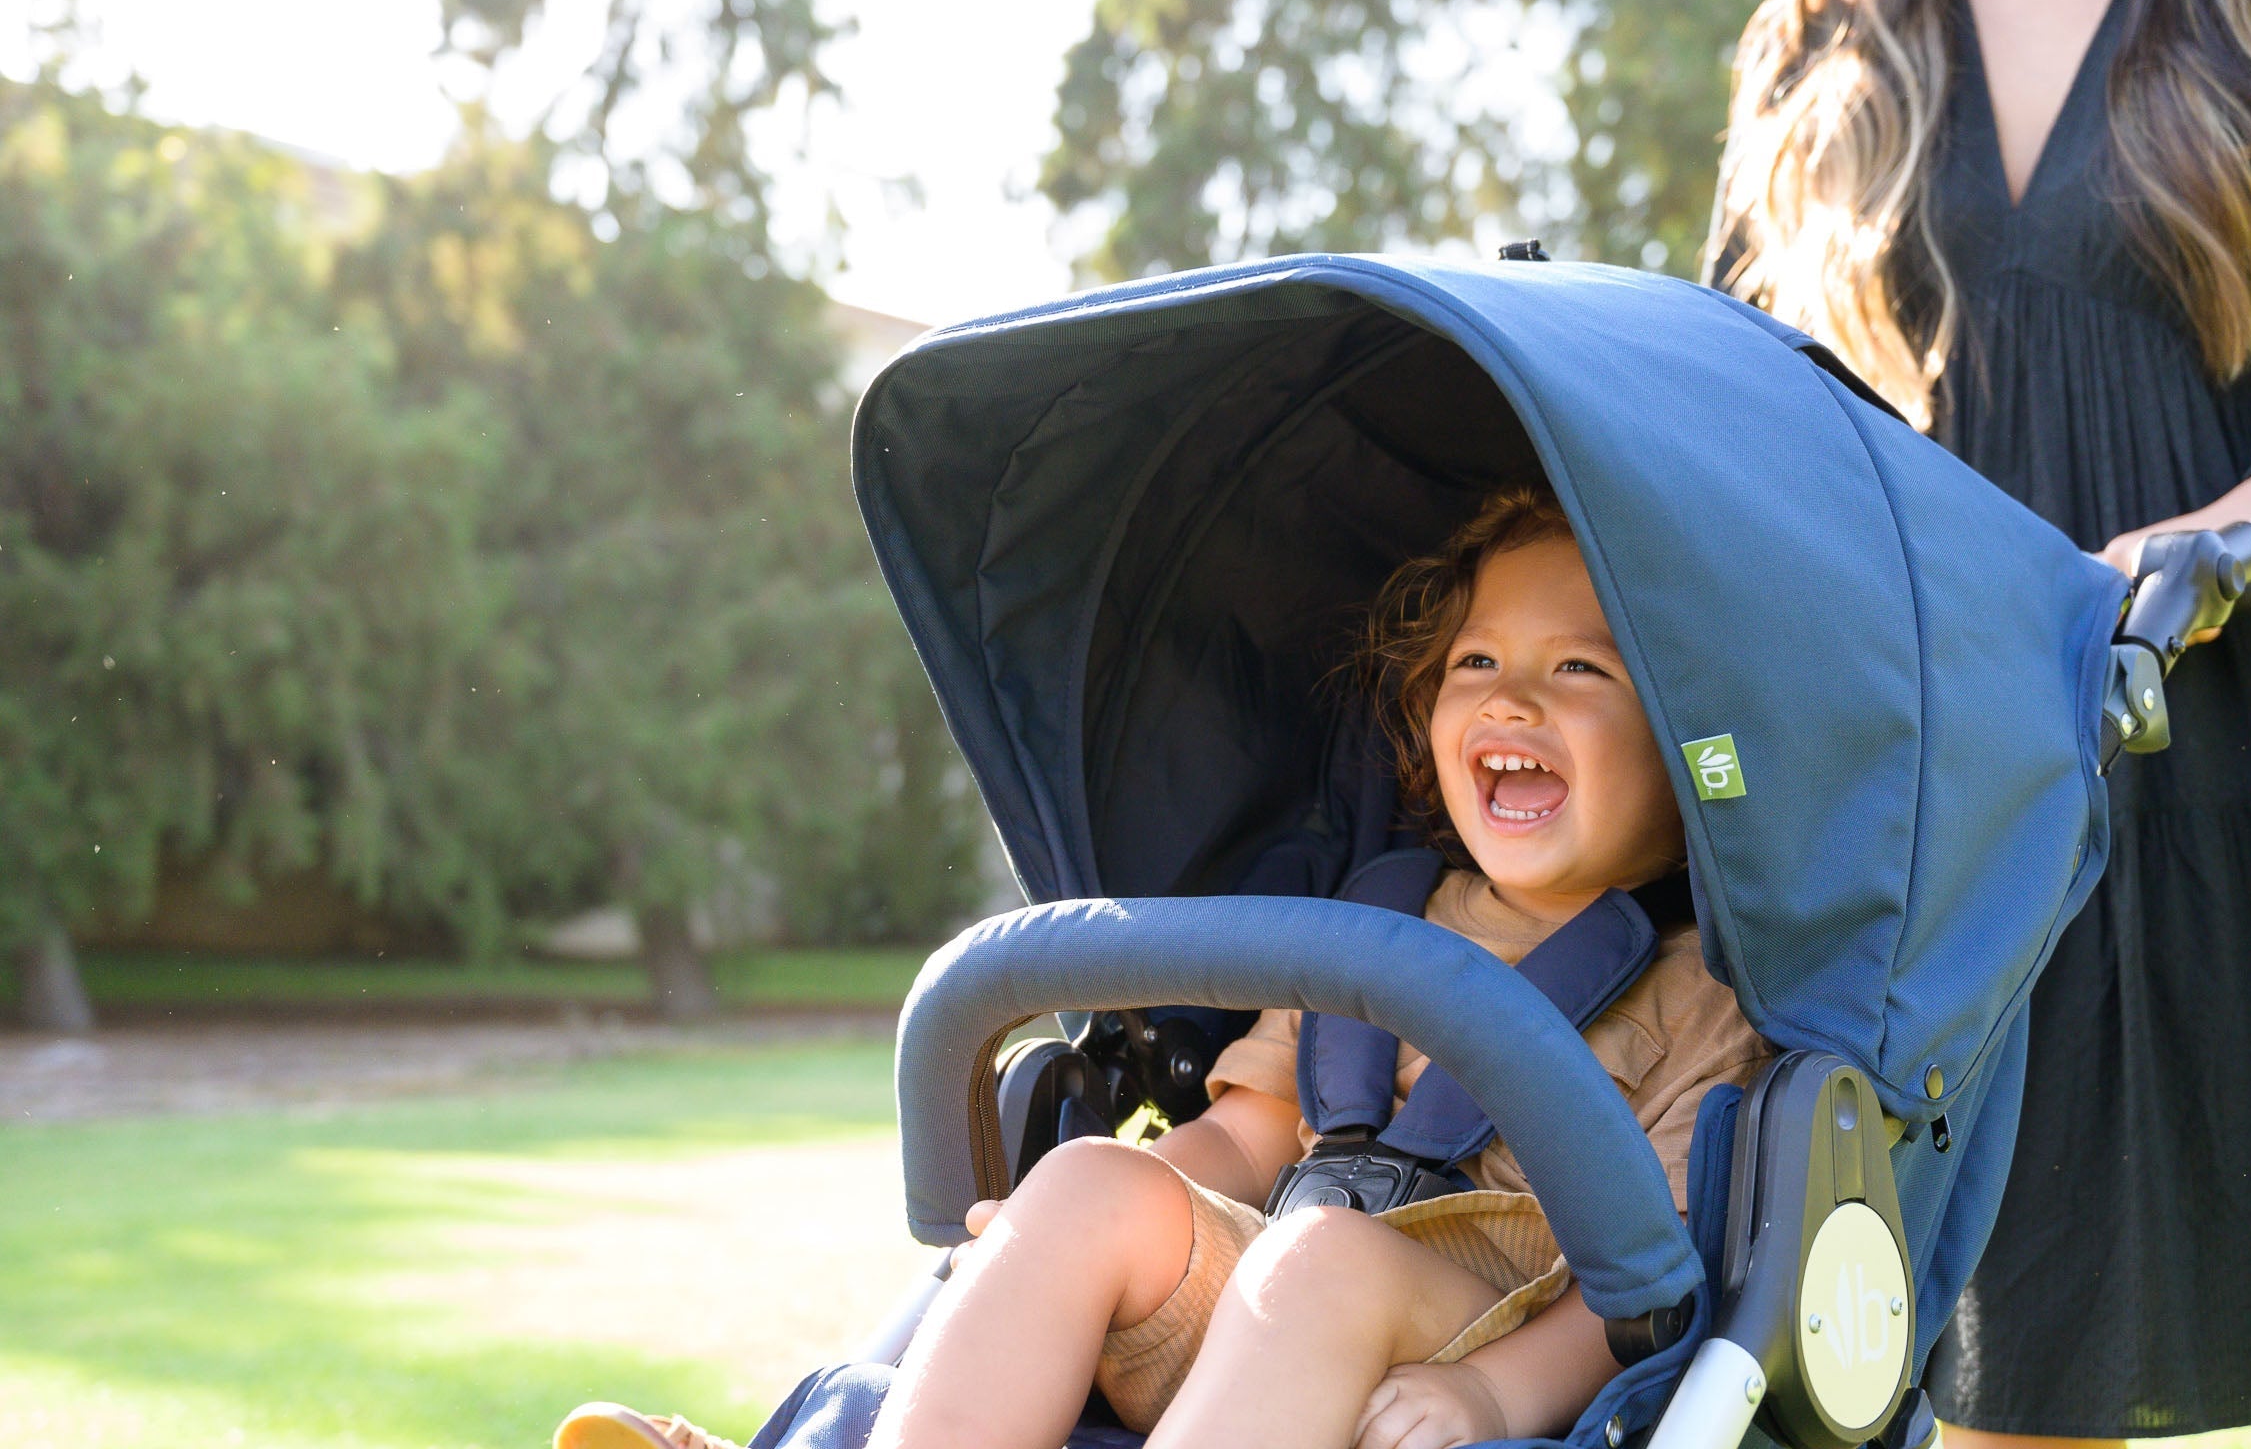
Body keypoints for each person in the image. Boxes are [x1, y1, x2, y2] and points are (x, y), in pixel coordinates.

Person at [554, 486, 1774, 1449]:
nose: (1513, 695)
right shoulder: (1372, 929)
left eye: (1580, 668)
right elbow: (1245, 1147)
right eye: (1475, 664)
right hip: (1270, 1289)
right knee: (1093, 1177)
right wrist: (1061, 1233)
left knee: (1325, 1259)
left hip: (1462, 1331)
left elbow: (1643, 1292)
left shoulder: (1702, 998)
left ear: (1682, 750)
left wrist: (1498, 1397)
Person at [1709, 0, 2251, 1441]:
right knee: (2014, 1359)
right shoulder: (1831, 44)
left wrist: (2248, 519)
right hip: (1978, 799)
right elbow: (1745, 421)